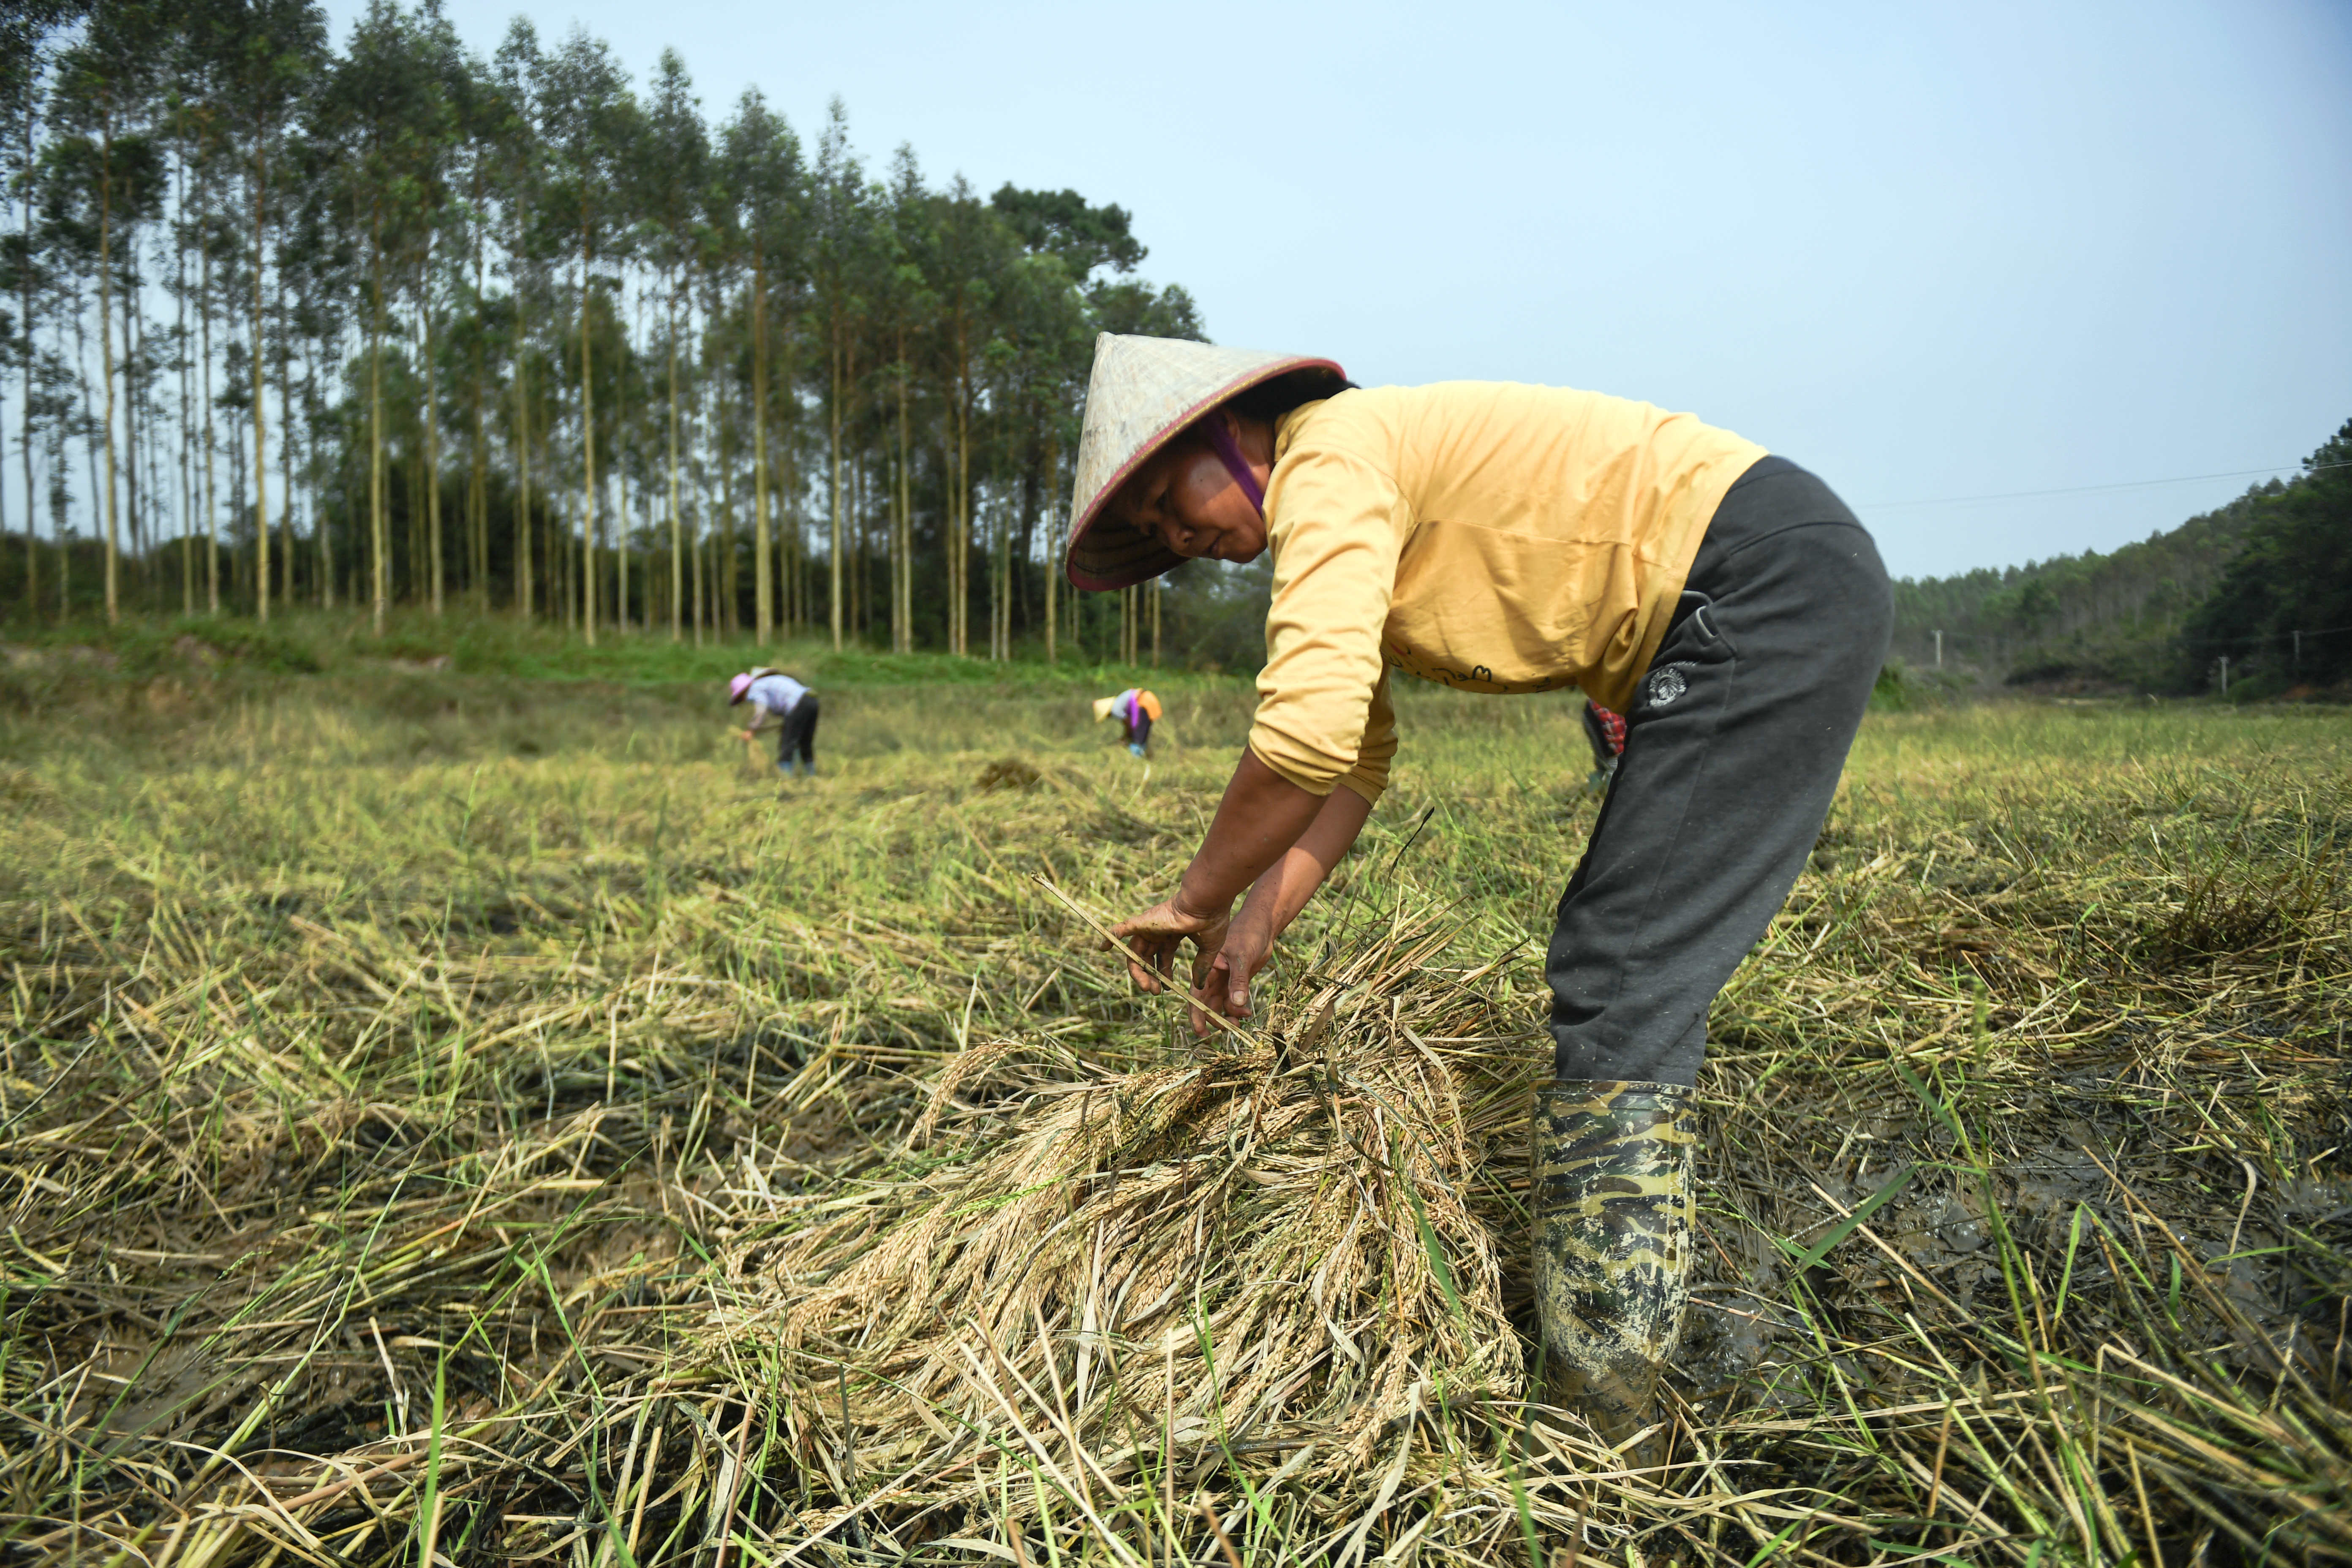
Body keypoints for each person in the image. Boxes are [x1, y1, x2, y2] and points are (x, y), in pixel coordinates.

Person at [1068, 333, 1891, 1459]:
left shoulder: (1334, 456)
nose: (1183, 539)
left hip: (1755, 578)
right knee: (1625, 962)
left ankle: (1608, 1420)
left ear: (1233, 429)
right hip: (1755, 583)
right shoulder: (1342, 492)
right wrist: (1256, 925)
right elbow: (1352, 760)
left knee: (1621, 968)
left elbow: (1301, 741)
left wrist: (1192, 899)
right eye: (1162, 542)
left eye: (1172, 500)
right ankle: (1615, 1377)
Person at [729, 668, 820, 778]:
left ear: (743, 691)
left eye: (741, 698)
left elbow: (761, 710)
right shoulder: (766, 682)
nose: (744, 700)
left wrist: (751, 730)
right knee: (805, 743)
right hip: (811, 701)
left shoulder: (755, 689)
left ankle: (786, 780)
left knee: (787, 744)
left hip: (798, 704)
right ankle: (812, 777)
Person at [1092, 687, 1163, 757]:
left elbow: (1128, 724)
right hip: (1149, 699)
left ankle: (1137, 761)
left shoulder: (1115, 710)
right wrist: (1125, 736)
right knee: (1142, 737)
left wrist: (1125, 737)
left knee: (1137, 740)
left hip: (1144, 703)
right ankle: (1147, 758)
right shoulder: (1118, 702)